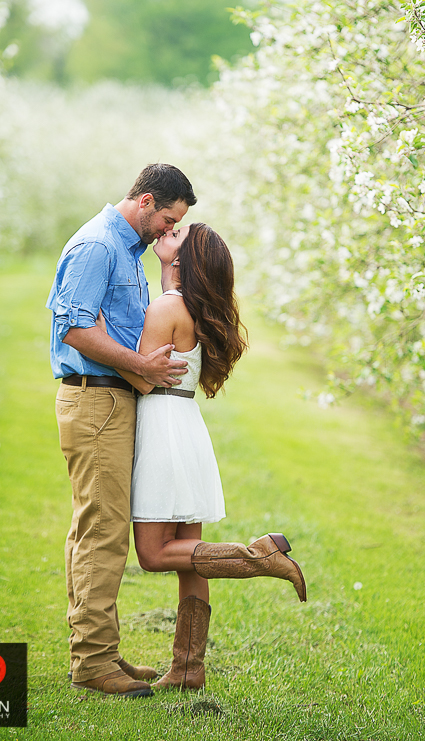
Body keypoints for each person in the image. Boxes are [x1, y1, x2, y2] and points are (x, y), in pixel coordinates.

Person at [110, 222, 307, 691]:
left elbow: (141, 377)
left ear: (186, 261)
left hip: (161, 428)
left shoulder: (166, 307)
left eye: (180, 234)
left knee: (155, 555)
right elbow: (169, 328)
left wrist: (97, 336)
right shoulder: (193, 307)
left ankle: (256, 555)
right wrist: (169, 267)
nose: (169, 232)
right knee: (189, 558)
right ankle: (188, 668)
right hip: (186, 426)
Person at [46, 164, 197, 699]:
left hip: (110, 399)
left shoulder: (127, 251)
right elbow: (77, 329)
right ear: (147, 199)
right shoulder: (97, 246)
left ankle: (99, 650)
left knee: (95, 529)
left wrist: (167, 266)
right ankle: (91, 662)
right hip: (96, 399)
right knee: (103, 532)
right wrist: (147, 369)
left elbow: (134, 324)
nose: (168, 230)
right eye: (168, 220)